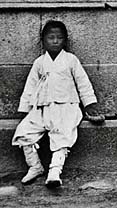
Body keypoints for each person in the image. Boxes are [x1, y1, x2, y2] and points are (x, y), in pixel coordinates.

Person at [12, 20, 105, 188]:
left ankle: (55, 171)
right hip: (42, 109)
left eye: (59, 38)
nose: (55, 41)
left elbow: (82, 82)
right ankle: (35, 167)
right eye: (51, 38)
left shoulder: (70, 60)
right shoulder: (39, 63)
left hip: (66, 108)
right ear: (43, 41)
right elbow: (30, 86)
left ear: (65, 41)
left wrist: (89, 105)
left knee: (62, 136)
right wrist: (25, 109)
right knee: (24, 133)